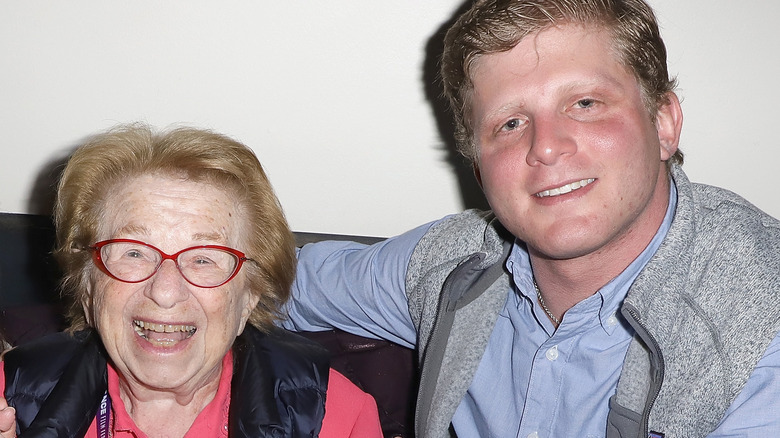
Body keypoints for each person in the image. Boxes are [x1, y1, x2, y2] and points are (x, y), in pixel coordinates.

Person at [282, 0, 780, 437]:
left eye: (585, 103)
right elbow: (279, 283)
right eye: (510, 123)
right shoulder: (452, 266)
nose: (544, 146)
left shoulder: (758, 323)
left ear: (664, 123)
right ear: (478, 168)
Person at [0, 124, 383, 438]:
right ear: (87, 286)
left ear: (249, 294)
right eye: (133, 253)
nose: (165, 292)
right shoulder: (10, 397)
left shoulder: (334, 416)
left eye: (203, 259)